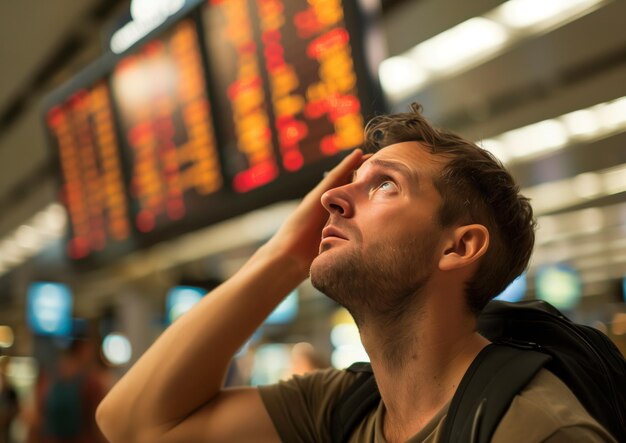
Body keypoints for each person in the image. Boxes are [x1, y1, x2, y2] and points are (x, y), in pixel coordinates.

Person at [96, 104, 616, 442]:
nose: (330, 197)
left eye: (386, 185)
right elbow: (133, 424)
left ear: (458, 247)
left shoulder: (536, 430)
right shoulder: (344, 407)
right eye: (352, 183)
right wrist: (283, 255)